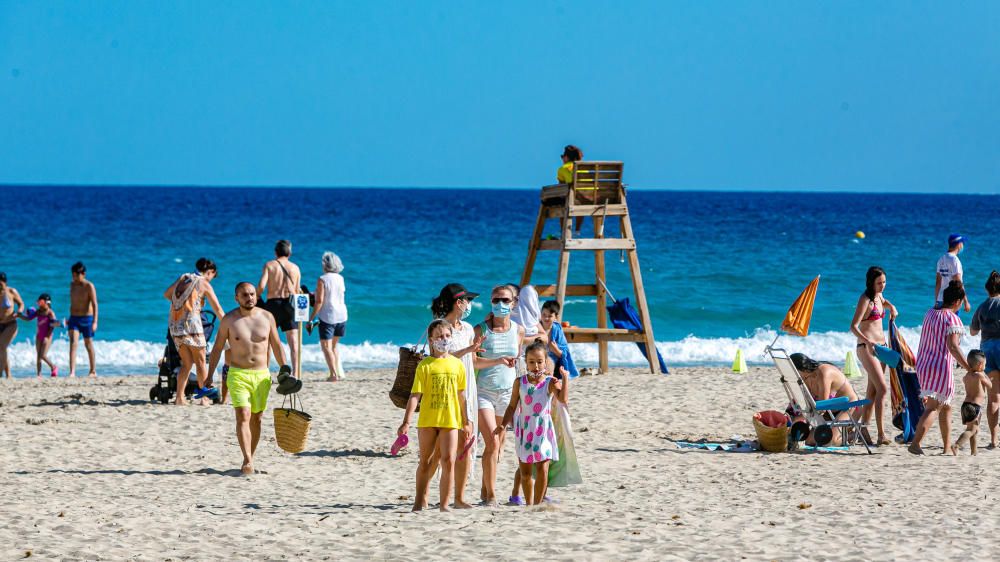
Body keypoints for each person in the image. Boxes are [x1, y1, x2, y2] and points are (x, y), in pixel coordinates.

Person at [206, 282, 293, 475]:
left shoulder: (267, 317)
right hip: (238, 374)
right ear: (236, 298)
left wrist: (285, 370)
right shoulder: (229, 320)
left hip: (262, 375)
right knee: (243, 415)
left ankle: (250, 457)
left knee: (257, 418)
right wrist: (209, 374)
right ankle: (247, 460)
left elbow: (277, 345)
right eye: (245, 295)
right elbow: (218, 348)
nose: (250, 298)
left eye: (252, 294)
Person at [396, 319, 473, 512]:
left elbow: (461, 394)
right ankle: (420, 500)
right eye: (439, 336)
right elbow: (415, 395)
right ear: (431, 340)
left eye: (447, 336)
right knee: (426, 461)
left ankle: (445, 504)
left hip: (451, 420)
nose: (444, 340)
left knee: (448, 460)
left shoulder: (457, 365)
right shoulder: (425, 365)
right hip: (428, 420)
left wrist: (467, 420)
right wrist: (406, 421)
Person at [430, 283, 485, 508]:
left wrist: (501, 361)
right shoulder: (437, 327)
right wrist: (467, 351)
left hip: (468, 388)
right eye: (467, 300)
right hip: (446, 389)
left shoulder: (469, 328)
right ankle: (425, 492)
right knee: (439, 449)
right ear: (458, 302)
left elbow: (473, 362)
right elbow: (438, 356)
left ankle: (459, 497)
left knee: (466, 443)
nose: (470, 304)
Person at [473, 284, 524, 506]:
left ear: (514, 303)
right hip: (484, 392)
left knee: (498, 446)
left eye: (505, 300)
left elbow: (519, 360)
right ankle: (492, 495)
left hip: (507, 394)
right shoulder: (481, 330)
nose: (500, 304)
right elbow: (473, 361)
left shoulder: (518, 330)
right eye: (495, 300)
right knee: (492, 444)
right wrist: (497, 360)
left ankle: (485, 490)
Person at [909, 280, 971, 455]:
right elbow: (953, 347)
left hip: (923, 364)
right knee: (934, 407)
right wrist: (968, 367)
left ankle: (946, 447)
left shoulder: (930, 313)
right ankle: (915, 443)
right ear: (957, 302)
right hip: (940, 366)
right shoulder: (953, 318)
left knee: (946, 405)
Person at [498, 339, 562, 505]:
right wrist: (503, 425)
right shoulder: (520, 382)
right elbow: (512, 406)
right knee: (525, 473)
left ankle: (537, 504)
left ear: (546, 363)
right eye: (532, 362)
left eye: (540, 362)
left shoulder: (549, 382)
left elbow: (563, 399)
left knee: (543, 468)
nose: (536, 366)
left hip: (544, 429)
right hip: (525, 430)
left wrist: (565, 381)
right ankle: (529, 503)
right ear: (525, 363)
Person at [164, 258, 225, 405]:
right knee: (201, 362)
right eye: (212, 277)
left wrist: (183, 305)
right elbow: (217, 308)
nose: (211, 280)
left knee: (187, 363)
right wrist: (229, 323)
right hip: (192, 325)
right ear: (210, 272)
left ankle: (179, 398)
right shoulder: (203, 283)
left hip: (174, 325)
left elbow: (167, 294)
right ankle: (204, 398)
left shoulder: (184, 277)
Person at [849, 266, 897, 446]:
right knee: (883, 389)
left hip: (882, 349)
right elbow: (853, 326)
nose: (882, 286)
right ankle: (881, 434)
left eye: (884, 282)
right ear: (871, 282)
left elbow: (883, 302)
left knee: (873, 391)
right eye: (879, 283)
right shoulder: (865, 299)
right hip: (867, 348)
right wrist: (867, 341)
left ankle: (862, 428)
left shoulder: (879, 296)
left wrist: (891, 307)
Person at [790, 353, 862, 446]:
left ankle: (852, 435)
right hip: (830, 412)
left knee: (831, 441)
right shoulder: (806, 377)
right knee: (810, 441)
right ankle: (845, 431)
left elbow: (823, 406)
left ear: (800, 369)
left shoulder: (824, 372)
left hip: (848, 407)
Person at [258, 240, 302, 376]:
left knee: (269, 341)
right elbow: (297, 290)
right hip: (289, 304)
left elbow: (261, 287)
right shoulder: (295, 268)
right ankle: (295, 373)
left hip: (273, 305)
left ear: (276, 252)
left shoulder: (269, 265)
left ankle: (266, 371)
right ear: (289, 252)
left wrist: (257, 298)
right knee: (293, 341)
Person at [307, 251, 348, 382]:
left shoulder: (322, 279)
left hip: (328, 316)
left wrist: (311, 317)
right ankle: (338, 373)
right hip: (342, 315)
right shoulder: (340, 278)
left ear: (324, 264)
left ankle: (333, 374)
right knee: (334, 346)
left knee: (326, 347)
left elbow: (319, 302)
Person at [971, 271, 1000, 448]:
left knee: (994, 398)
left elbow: (973, 331)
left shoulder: (982, 307)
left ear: (986, 289)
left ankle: (993, 440)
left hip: (987, 352)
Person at [954, 350, 991, 455]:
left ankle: (974, 452)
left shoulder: (966, 377)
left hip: (965, 405)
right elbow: (990, 385)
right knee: (971, 430)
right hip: (974, 407)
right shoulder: (980, 375)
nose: (985, 366)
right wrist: (985, 375)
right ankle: (957, 445)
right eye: (985, 364)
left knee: (973, 430)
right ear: (980, 365)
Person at [67, 262, 98, 377]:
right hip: (74, 318)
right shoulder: (72, 285)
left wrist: (95, 322)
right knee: (73, 343)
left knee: (88, 344)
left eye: (76, 275)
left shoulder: (89, 286)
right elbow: (73, 302)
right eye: (73, 275)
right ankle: (72, 372)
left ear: (83, 274)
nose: (74, 278)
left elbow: (95, 304)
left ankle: (92, 370)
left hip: (87, 319)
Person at [19, 294, 59, 377]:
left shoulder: (50, 313)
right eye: (38, 302)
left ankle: (53, 367)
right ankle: (39, 374)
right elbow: (28, 318)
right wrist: (20, 316)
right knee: (38, 356)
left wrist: (47, 337)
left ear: (47, 303)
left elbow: (53, 326)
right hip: (39, 336)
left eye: (41, 302)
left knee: (43, 355)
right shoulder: (38, 312)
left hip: (47, 336)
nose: (39, 304)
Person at [538, 300, 579, 379]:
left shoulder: (557, 329)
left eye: (550, 316)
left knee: (548, 363)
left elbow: (564, 352)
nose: (546, 318)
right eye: (544, 314)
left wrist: (555, 350)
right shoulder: (536, 326)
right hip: (537, 357)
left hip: (553, 360)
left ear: (555, 317)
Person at [934, 234, 971, 312]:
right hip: (952, 302)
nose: (963, 245)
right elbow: (958, 283)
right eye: (962, 243)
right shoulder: (955, 260)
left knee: (941, 324)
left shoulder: (941, 259)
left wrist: (936, 301)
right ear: (959, 245)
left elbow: (938, 283)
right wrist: (966, 302)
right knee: (952, 323)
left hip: (940, 299)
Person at [557, 145, 586, 236]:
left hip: (573, 199)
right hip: (589, 198)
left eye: (562, 157)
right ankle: (577, 230)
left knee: (561, 202)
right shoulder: (585, 168)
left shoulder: (563, 169)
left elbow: (561, 187)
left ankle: (563, 232)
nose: (562, 159)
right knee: (581, 202)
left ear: (566, 157)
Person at [0, 272, 25, 378]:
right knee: (2, 349)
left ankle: (0, 373)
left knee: (1, 346)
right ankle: (9, 375)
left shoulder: (11, 291)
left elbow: (21, 303)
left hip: (11, 324)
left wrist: (19, 311)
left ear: (5, 283)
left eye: (0, 284)